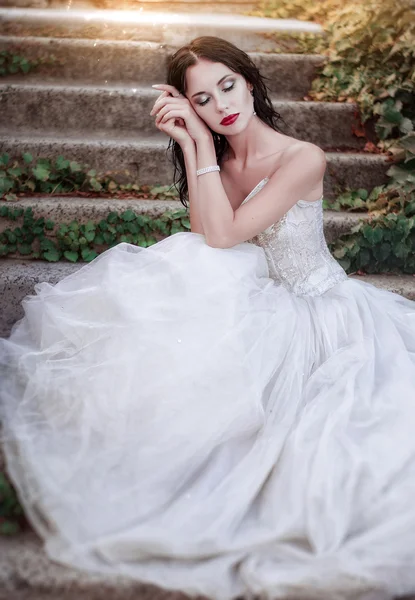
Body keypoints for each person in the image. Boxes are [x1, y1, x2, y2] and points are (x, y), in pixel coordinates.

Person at [1, 35, 415, 600]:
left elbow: (222, 234)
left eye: (227, 86)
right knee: (183, 271)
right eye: (201, 101)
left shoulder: (303, 157)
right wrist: (199, 147)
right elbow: (206, 239)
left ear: (249, 82)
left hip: (323, 314)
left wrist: (198, 142)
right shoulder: (219, 159)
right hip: (259, 302)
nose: (222, 105)